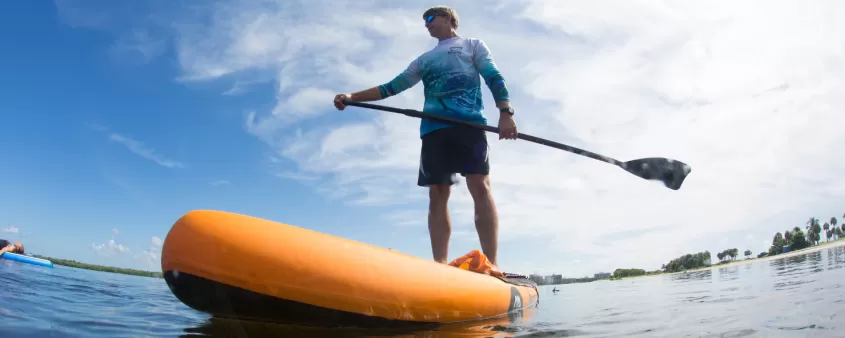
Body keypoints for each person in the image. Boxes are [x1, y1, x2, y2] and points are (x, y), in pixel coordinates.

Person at [333, 6, 518, 269]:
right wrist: (352, 97)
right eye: (424, 22)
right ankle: (439, 264)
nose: (427, 25)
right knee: (438, 193)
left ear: (449, 19)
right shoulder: (424, 60)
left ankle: (492, 264)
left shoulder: (472, 46)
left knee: (480, 186)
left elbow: (494, 77)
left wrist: (505, 112)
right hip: (434, 131)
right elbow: (391, 87)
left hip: (469, 126)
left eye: (430, 19)